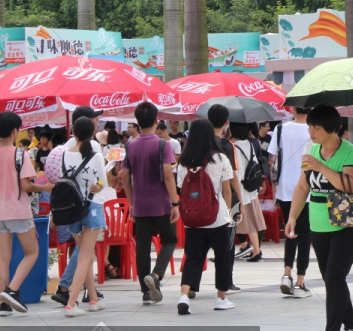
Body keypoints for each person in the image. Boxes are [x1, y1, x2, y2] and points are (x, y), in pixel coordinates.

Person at [284, 106, 353, 331]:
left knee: (334, 277)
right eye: (309, 126)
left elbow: (349, 185)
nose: (311, 132)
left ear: (332, 128)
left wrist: (321, 168)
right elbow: (302, 187)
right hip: (318, 223)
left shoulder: (349, 151)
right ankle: (352, 325)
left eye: (316, 127)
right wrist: (292, 217)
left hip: (346, 223)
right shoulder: (311, 150)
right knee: (332, 277)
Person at [0, 112, 53, 316]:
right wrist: (47, 188)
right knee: (32, 253)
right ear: (15, 130)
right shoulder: (20, 154)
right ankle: (12, 291)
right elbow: (26, 186)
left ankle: (3, 302)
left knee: (4, 257)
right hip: (18, 210)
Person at [118, 102, 179, 305]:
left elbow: (125, 176)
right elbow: (168, 175)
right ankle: (156, 275)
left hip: (141, 204)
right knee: (170, 239)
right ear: (156, 121)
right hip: (161, 203)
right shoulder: (163, 144)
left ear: (137, 122)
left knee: (142, 246)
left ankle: (145, 291)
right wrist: (175, 202)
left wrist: (131, 201)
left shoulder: (130, 145)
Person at [176, 119, 239, 315]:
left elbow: (181, 190)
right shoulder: (219, 158)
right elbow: (227, 190)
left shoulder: (183, 162)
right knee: (222, 258)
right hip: (218, 217)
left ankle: (184, 295)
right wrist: (230, 212)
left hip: (193, 220)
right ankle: (221, 297)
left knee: (193, 258)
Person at [60, 117, 109, 317]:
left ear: (73, 132)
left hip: (72, 209)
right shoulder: (96, 156)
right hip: (92, 206)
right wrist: (95, 186)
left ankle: (93, 300)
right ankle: (72, 303)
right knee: (86, 256)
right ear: (91, 134)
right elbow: (102, 183)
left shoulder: (64, 154)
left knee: (84, 256)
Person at [269, 108, 313, 298]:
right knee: (304, 235)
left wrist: (274, 189)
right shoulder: (314, 130)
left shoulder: (280, 129)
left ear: (293, 109)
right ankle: (300, 281)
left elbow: (272, 160)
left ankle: (286, 274)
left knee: (290, 231)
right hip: (307, 188)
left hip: (285, 188)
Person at [205, 104, 245, 293]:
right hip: (229, 198)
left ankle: (190, 282)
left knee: (202, 241)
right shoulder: (228, 145)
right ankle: (226, 280)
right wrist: (240, 202)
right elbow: (233, 175)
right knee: (228, 241)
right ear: (226, 122)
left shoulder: (201, 142)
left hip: (206, 198)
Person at [231, 122, 266, 262]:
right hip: (250, 188)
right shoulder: (249, 143)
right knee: (251, 221)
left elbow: (237, 173)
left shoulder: (235, 147)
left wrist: (235, 192)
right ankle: (256, 250)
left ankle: (253, 250)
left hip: (241, 190)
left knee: (235, 221)